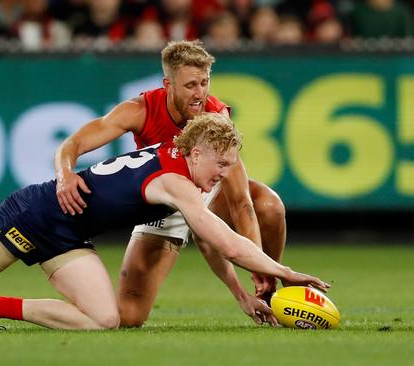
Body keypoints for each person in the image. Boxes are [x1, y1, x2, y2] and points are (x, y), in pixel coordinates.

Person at [0, 113, 329, 331]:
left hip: (70, 234)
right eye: (222, 164)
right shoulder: (175, 181)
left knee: (106, 321)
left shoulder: (178, 164)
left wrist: (255, 282)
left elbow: (220, 242)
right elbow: (227, 240)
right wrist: (288, 273)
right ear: (200, 151)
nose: (225, 175)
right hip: (36, 213)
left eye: (230, 167)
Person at [54, 40, 287, 327]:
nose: (199, 93)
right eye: (191, 85)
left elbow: (240, 201)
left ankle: (271, 295)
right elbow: (73, 143)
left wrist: (259, 266)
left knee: (269, 205)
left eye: (204, 83)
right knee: (128, 318)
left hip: (207, 198)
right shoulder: (139, 110)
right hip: (161, 205)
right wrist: (65, 173)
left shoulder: (216, 118)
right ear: (168, 84)